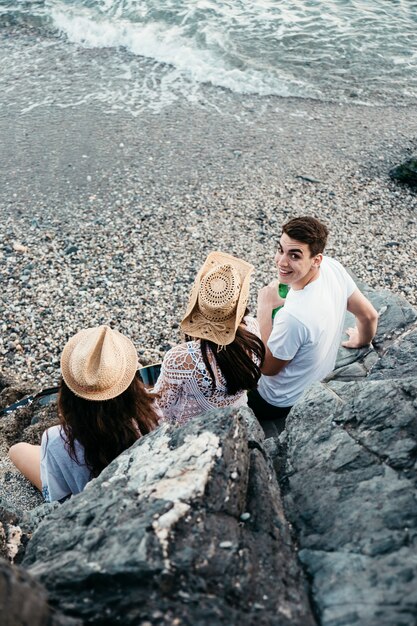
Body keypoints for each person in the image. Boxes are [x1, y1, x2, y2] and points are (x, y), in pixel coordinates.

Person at [249, 216, 378, 432]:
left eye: (294, 255)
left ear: (316, 260)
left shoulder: (293, 317)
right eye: (280, 250)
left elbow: (268, 368)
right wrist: (361, 341)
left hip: (275, 401)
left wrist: (264, 310)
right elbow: (369, 315)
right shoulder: (332, 268)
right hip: (315, 379)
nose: (281, 262)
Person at [9, 325, 160, 502]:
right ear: (131, 385)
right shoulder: (152, 415)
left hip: (88, 505)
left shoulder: (56, 439)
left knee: (17, 450)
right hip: (143, 495)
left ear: (67, 390)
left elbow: (58, 499)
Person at [152, 251, 265, 424]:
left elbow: (163, 405)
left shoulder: (180, 359)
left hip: (194, 431)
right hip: (238, 419)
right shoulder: (253, 330)